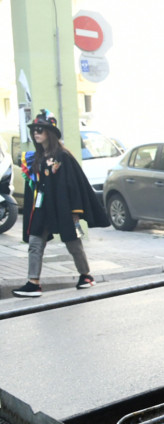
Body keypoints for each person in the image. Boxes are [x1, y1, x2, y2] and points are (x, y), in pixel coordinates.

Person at [13, 110, 109, 298]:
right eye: (34, 130)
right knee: (34, 242)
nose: (36, 133)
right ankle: (34, 283)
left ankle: (86, 276)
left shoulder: (63, 156)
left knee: (72, 242)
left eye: (40, 129)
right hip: (43, 208)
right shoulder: (38, 157)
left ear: (50, 133)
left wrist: (75, 211)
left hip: (63, 208)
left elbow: (73, 185)